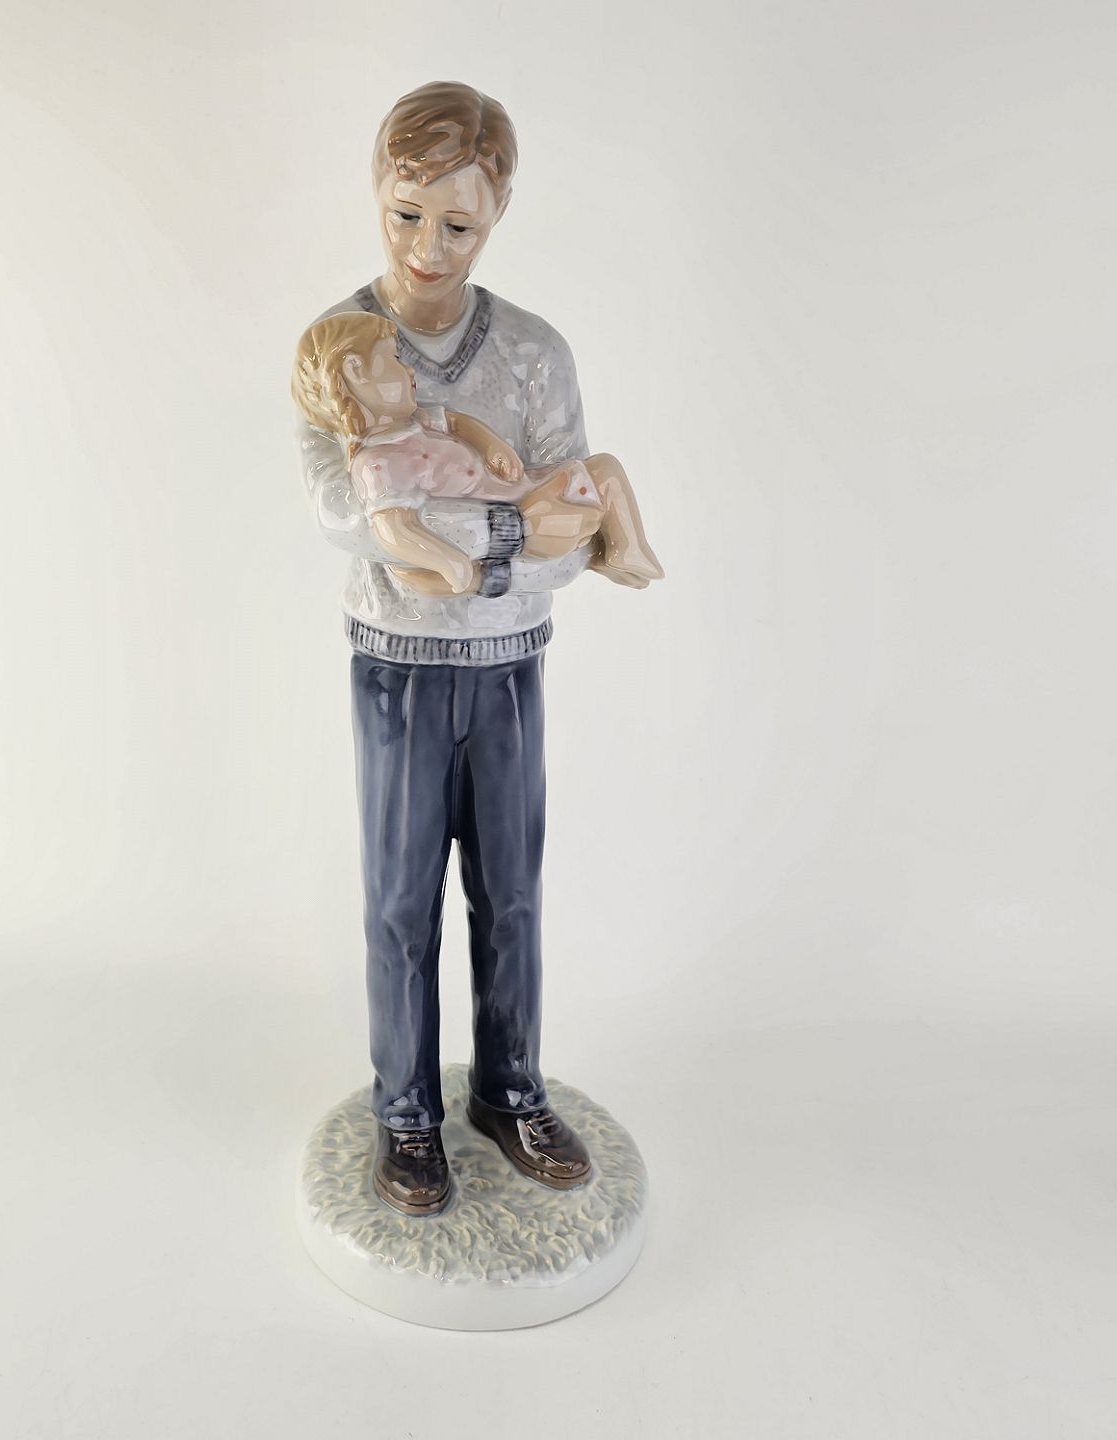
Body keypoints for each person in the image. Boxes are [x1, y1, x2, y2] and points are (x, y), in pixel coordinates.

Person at [294, 81, 660, 1216]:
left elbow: (577, 524)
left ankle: (509, 1089)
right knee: (400, 900)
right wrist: (508, 534)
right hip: (399, 670)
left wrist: (496, 555)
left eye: (459, 223)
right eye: (407, 215)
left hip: (505, 670)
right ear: (377, 190)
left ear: (498, 212)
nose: (428, 247)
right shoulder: (339, 347)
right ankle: (406, 1110)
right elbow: (348, 515)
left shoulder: (535, 354)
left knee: (510, 895)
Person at [291, 308, 664, 594]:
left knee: (602, 469)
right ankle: (621, 548)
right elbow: (394, 528)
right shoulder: (377, 464)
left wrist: (492, 445)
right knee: (599, 477)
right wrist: (449, 561)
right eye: (394, 359)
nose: (410, 371)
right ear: (355, 371)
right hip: (519, 506)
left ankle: (625, 550)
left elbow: (456, 423)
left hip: (522, 488)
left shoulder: (416, 422)